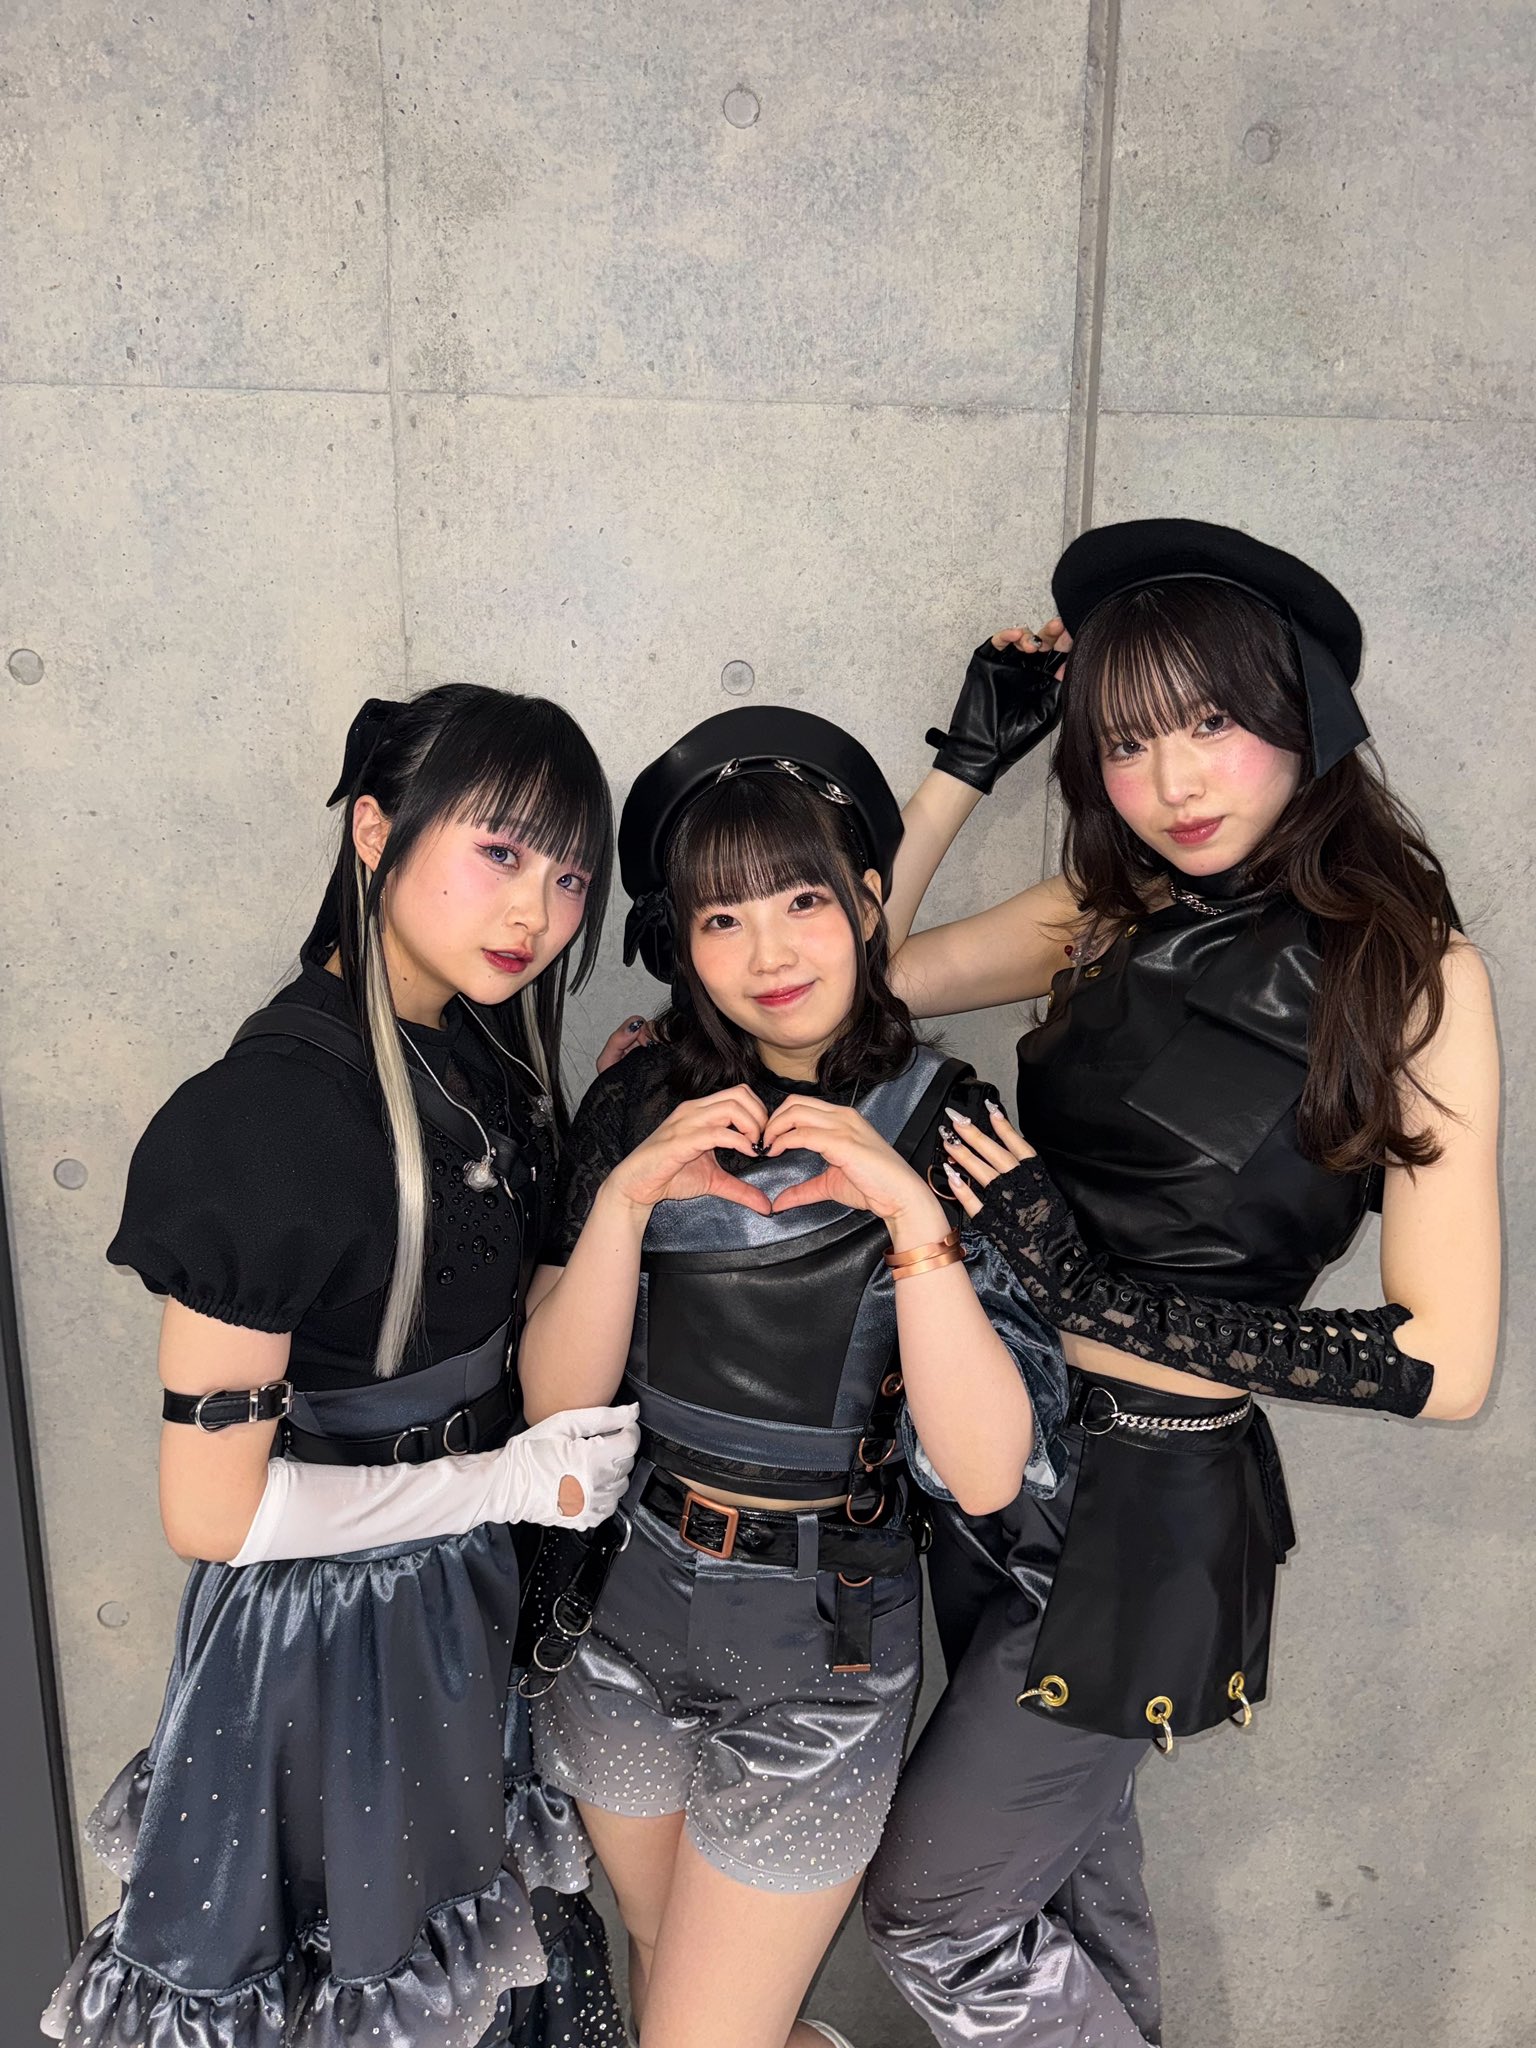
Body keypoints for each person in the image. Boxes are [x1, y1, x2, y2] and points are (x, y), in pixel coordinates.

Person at [861, 518, 1501, 2045]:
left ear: (1302, 711)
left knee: (935, 1916)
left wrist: (1087, 1290)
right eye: (1129, 743)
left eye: (1210, 723)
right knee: (1062, 1886)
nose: (1174, 781)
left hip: (1149, 1505)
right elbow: (849, 983)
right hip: (981, 1450)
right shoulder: (1108, 913)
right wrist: (966, 763)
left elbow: (1441, 1362)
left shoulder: (1413, 976)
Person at [44, 685, 641, 2048]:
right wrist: (501, 1485)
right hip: (322, 1642)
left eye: (567, 876)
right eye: (501, 852)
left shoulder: (477, 1055)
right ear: (376, 831)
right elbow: (211, 1513)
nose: (535, 913)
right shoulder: (267, 1121)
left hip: (456, 1605)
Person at [516, 706, 1066, 2048]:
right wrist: (630, 1196)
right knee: (674, 1980)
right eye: (723, 919)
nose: (767, 954)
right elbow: (556, 1409)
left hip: (822, 1652)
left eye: (803, 901)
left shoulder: (949, 1122)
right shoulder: (640, 1100)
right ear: (684, 943)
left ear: (869, 902)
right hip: (617, 1616)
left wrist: (915, 1220)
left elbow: (987, 1472)